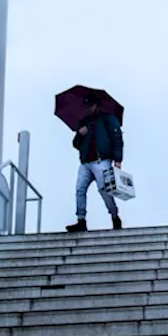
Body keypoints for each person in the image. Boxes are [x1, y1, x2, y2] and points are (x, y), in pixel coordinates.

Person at [66, 92, 124, 232]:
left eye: (90, 105)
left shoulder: (107, 119)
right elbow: (75, 144)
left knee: (104, 189)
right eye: (86, 105)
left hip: (101, 160)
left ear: (96, 105)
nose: (87, 108)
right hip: (86, 162)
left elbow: (117, 137)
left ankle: (114, 216)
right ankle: (81, 220)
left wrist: (118, 158)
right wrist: (80, 134)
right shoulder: (83, 122)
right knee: (80, 189)